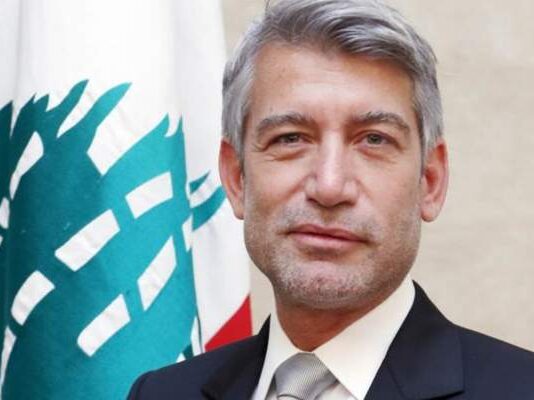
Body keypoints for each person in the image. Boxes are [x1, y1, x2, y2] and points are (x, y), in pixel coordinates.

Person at [127, 0, 534, 399]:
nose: (329, 186)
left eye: (374, 140)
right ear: (236, 179)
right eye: (290, 138)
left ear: (430, 181)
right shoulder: (160, 394)